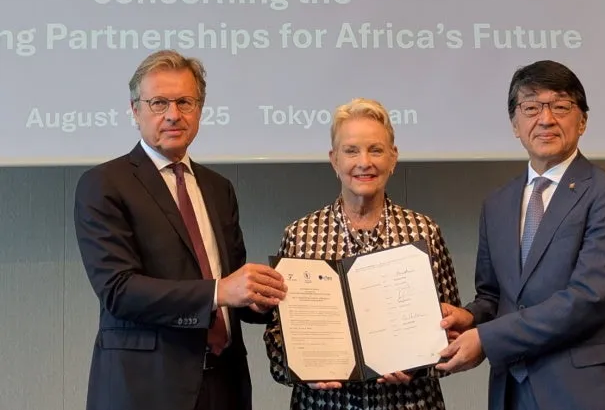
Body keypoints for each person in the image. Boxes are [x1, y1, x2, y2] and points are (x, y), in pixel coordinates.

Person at [74, 49, 287, 410]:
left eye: (185, 102)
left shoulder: (218, 188)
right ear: (135, 110)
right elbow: (118, 290)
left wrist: (263, 297)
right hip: (147, 389)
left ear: (199, 110)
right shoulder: (104, 184)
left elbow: (233, 290)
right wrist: (219, 291)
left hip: (225, 384)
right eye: (159, 103)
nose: (173, 114)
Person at [436, 60, 605, 410]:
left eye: (560, 106)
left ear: (583, 121)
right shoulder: (497, 204)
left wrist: (486, 338)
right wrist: (470, 318)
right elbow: (494, 296)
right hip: (512, 391)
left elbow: (589, 299)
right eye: (531, 107)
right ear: (515, 124)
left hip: (586, 391)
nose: (545, 119)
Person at [263, 98, 461, 410]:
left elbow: (453, 331)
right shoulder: (300, 235)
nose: (364, 162)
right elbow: (277, 334)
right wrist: (301, 370)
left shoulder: (424, 232)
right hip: (323, 403)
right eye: (351, 150)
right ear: (334, 160)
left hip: (409, 402)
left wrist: (421, 365)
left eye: (376, 150)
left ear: (393, 157)